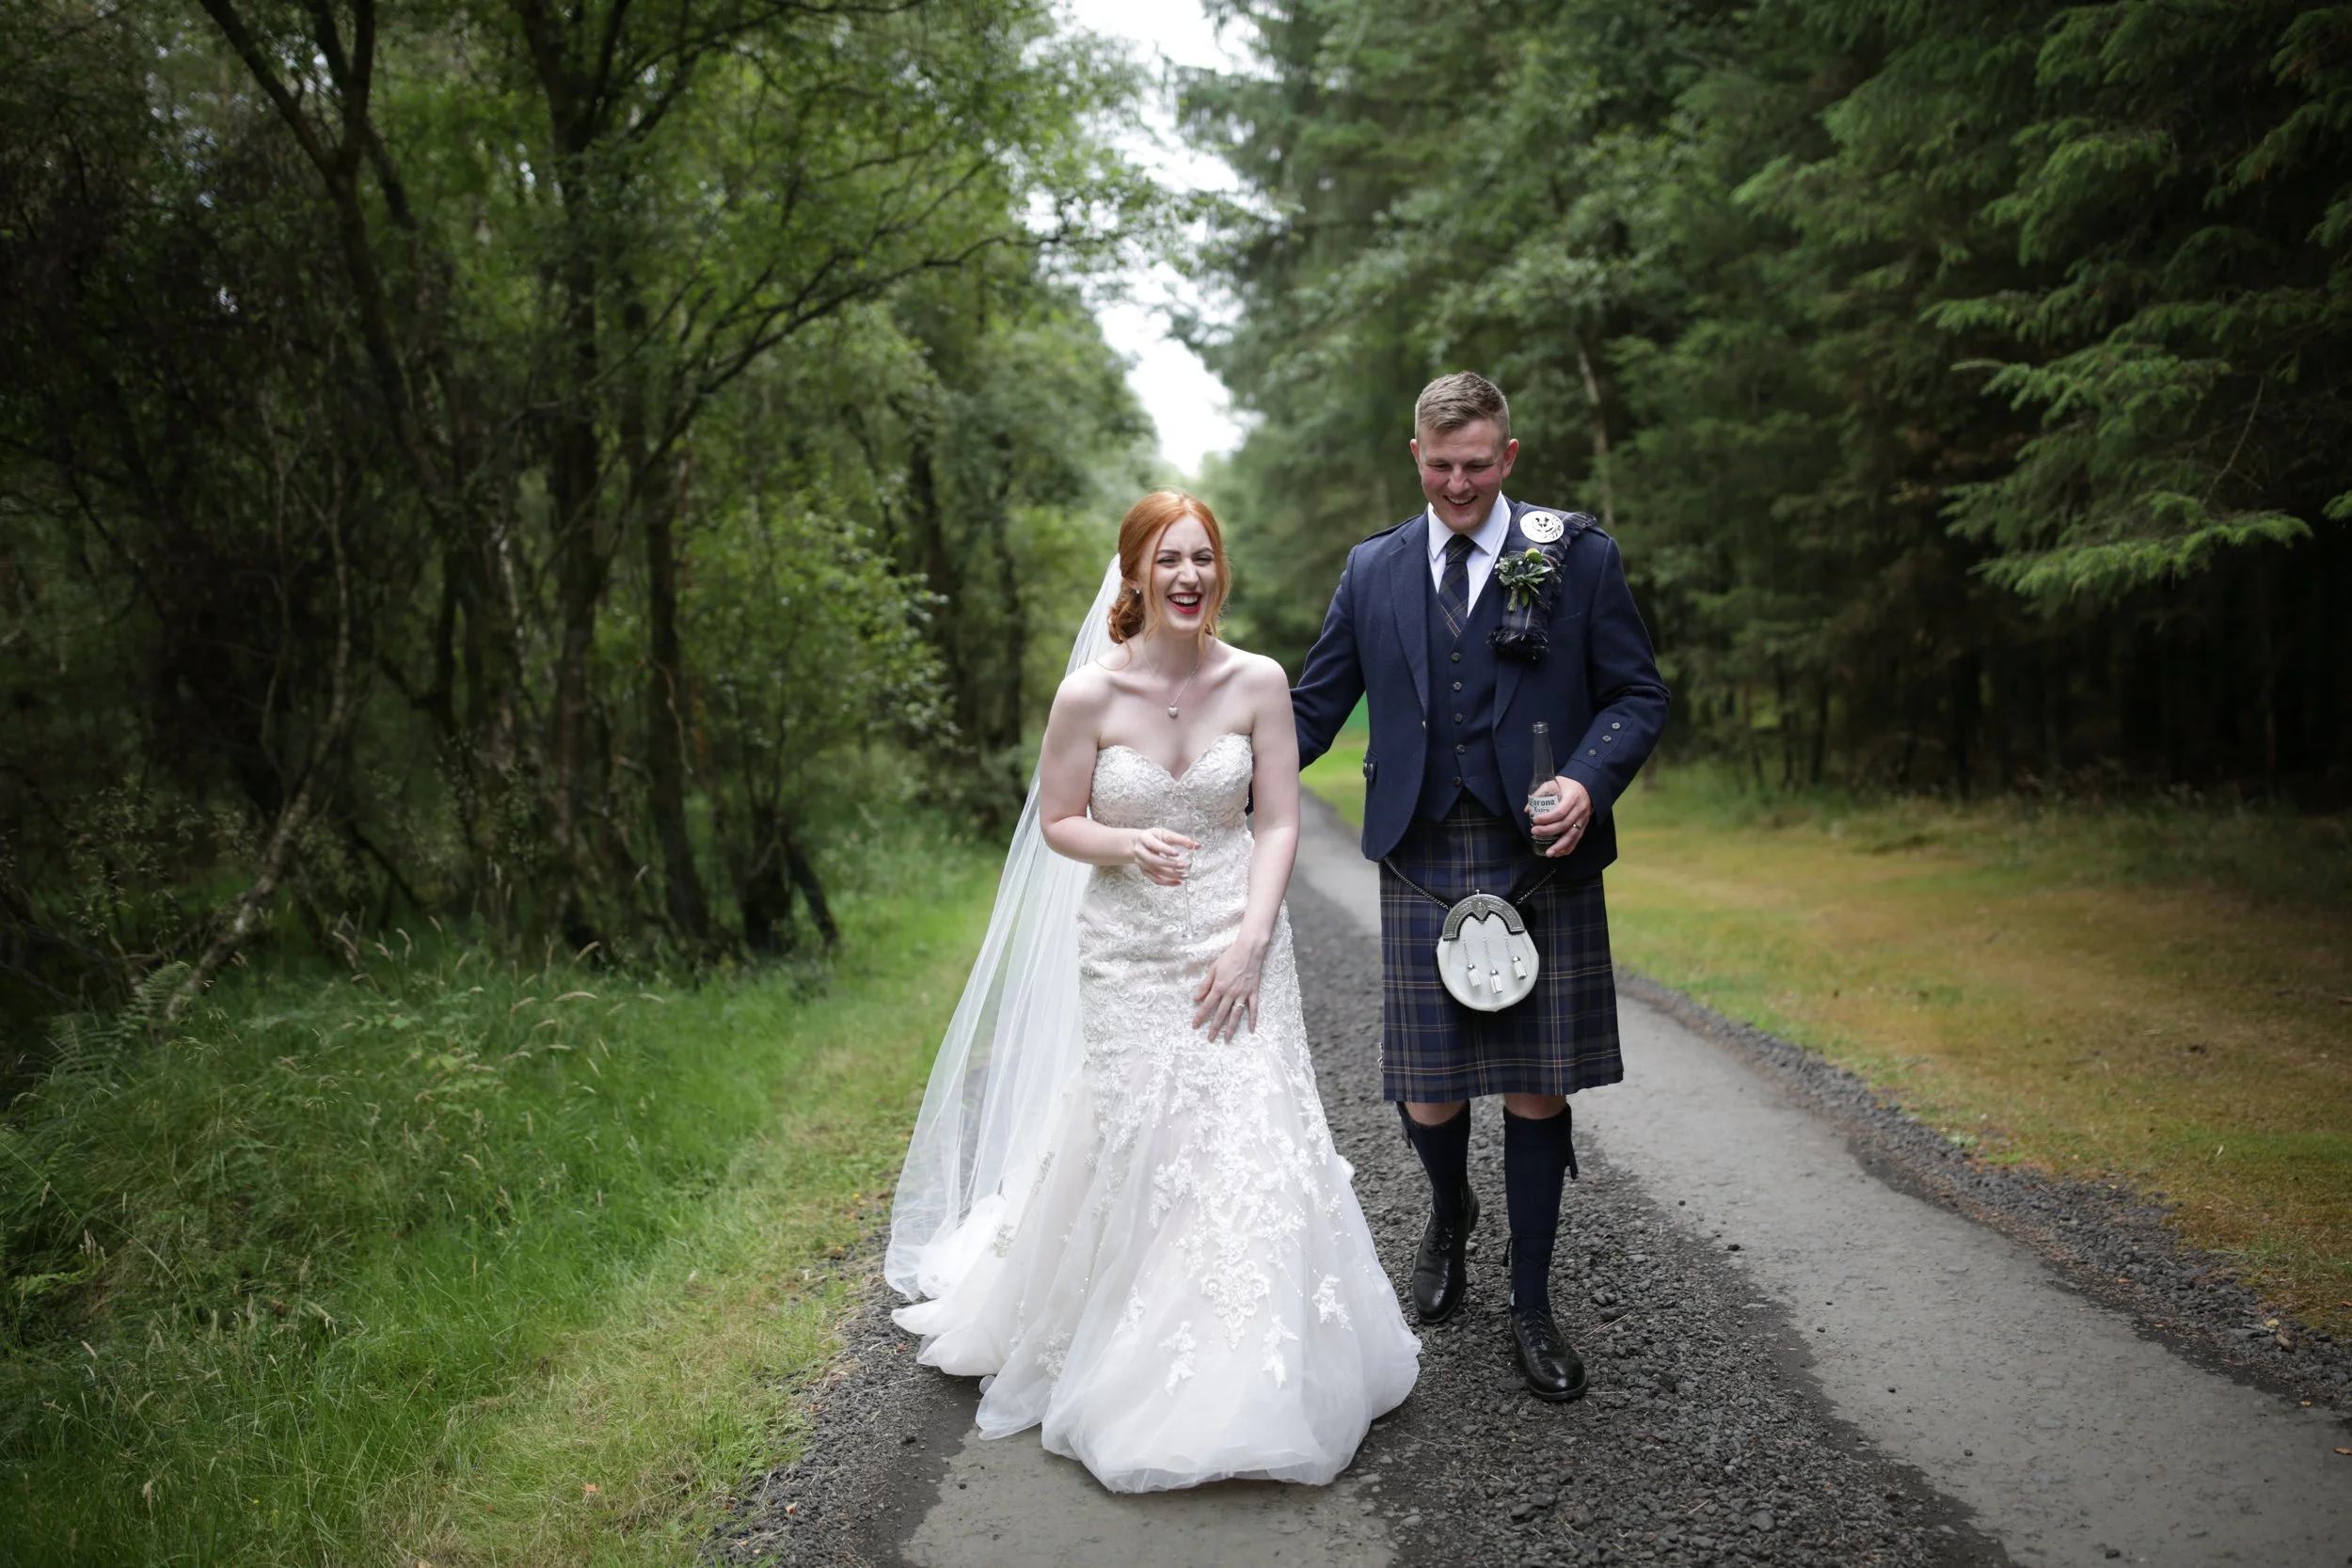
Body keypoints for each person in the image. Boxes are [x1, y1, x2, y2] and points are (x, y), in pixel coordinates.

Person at [887, 490, 1419, 1494]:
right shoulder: (1088, 696)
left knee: (1249, 1133)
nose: (1188, 576)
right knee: (1151, 1143)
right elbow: (1058, 820)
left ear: (1220, 570)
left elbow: (1275, 821)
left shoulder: (1257, 681)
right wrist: (1126, 841)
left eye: (1203, 558)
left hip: (1237, 932)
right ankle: (1125, 1335)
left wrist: (1254, 937)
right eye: (1168, 559)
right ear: (1132, 573)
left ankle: (1251, 1367)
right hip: (1128, 945)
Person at [1291, 372, 1669, 1402]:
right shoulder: (1372, 570)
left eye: (1478, 464)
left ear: (1508, 456)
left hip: (1537, 857)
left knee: (1535, 1080)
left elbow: (1638, 691)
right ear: (1413, 453)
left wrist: (1588, 782)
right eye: (1440, 463)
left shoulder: (1570, 551)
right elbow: (1313, 707)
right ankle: (1450, 1205)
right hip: (1420, 849)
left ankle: (1532, 1303)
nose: (1458, 483)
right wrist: (1213, 778)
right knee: (1428, 1082)